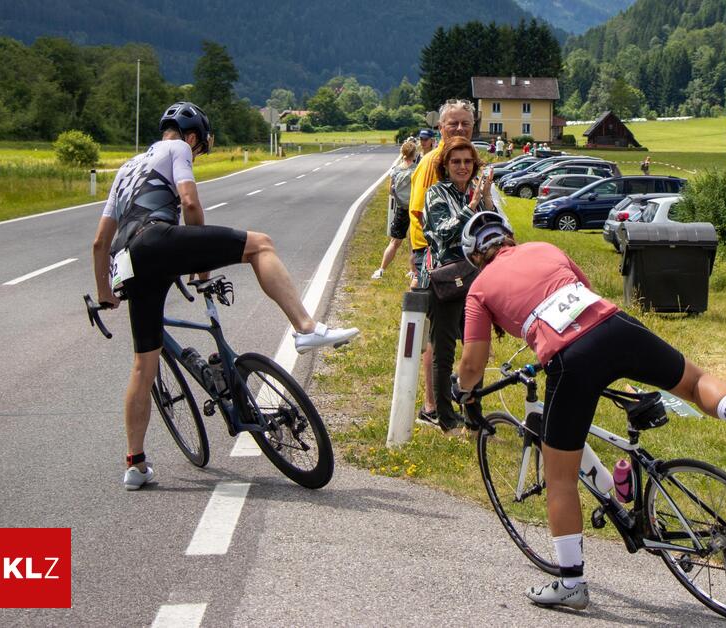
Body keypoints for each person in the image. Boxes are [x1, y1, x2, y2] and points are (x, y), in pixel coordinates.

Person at [454, 211, 726, 611]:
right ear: (508, 237)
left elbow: (473, 364)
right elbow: (584, 296)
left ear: (474, 256)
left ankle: (572, 582)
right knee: (693, 382)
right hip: (615, 326)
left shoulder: (479, 288)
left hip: (571, 357)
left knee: (560, 477)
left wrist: (465, 395)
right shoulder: (545, 247)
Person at [90, 102, 359, 490]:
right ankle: (304, 328)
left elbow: (100, 241)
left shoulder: (125, 169)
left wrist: (104, 293)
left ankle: (135, 463)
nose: (195, 156)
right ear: (193, 137)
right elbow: (189, 202)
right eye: (199, 150)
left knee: (142, 366)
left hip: (127, 262)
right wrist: (203, 265)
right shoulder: (176, 149)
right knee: (260, 245)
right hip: (158, 239)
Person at [407, 101, 477, 429]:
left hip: (469, 266)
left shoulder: (469, 171)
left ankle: (460, 405)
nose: (460, 129)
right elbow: (423, 219)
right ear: (441, 128)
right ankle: (435, 407)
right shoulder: (433, 164)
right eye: (453, 124)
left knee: (468, 338)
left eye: (465, 124)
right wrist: (421, 264)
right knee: (439, 339)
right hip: (437, 264)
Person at [422, 136, 495, 432]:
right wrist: (472, 206)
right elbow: (442, 234)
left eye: (467, 161)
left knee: (475, 350)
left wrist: (487, 201)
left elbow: (496, 231)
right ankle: (446, 420)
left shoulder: (477, 193)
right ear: (446, 165)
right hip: (447, 282)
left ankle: (474, 418)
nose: (463, 167)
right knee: (445, 352)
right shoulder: (436, 193)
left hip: (477, 282)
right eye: (456, 162)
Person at [371, 138, 419, 280]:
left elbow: (391, 191)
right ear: (414, 154)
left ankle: (381, 270)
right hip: (415, 208)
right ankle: (413, 271)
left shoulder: (396, 170)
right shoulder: (416, 170)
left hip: (401, 208)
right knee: (413, 241)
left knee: (394, 242)